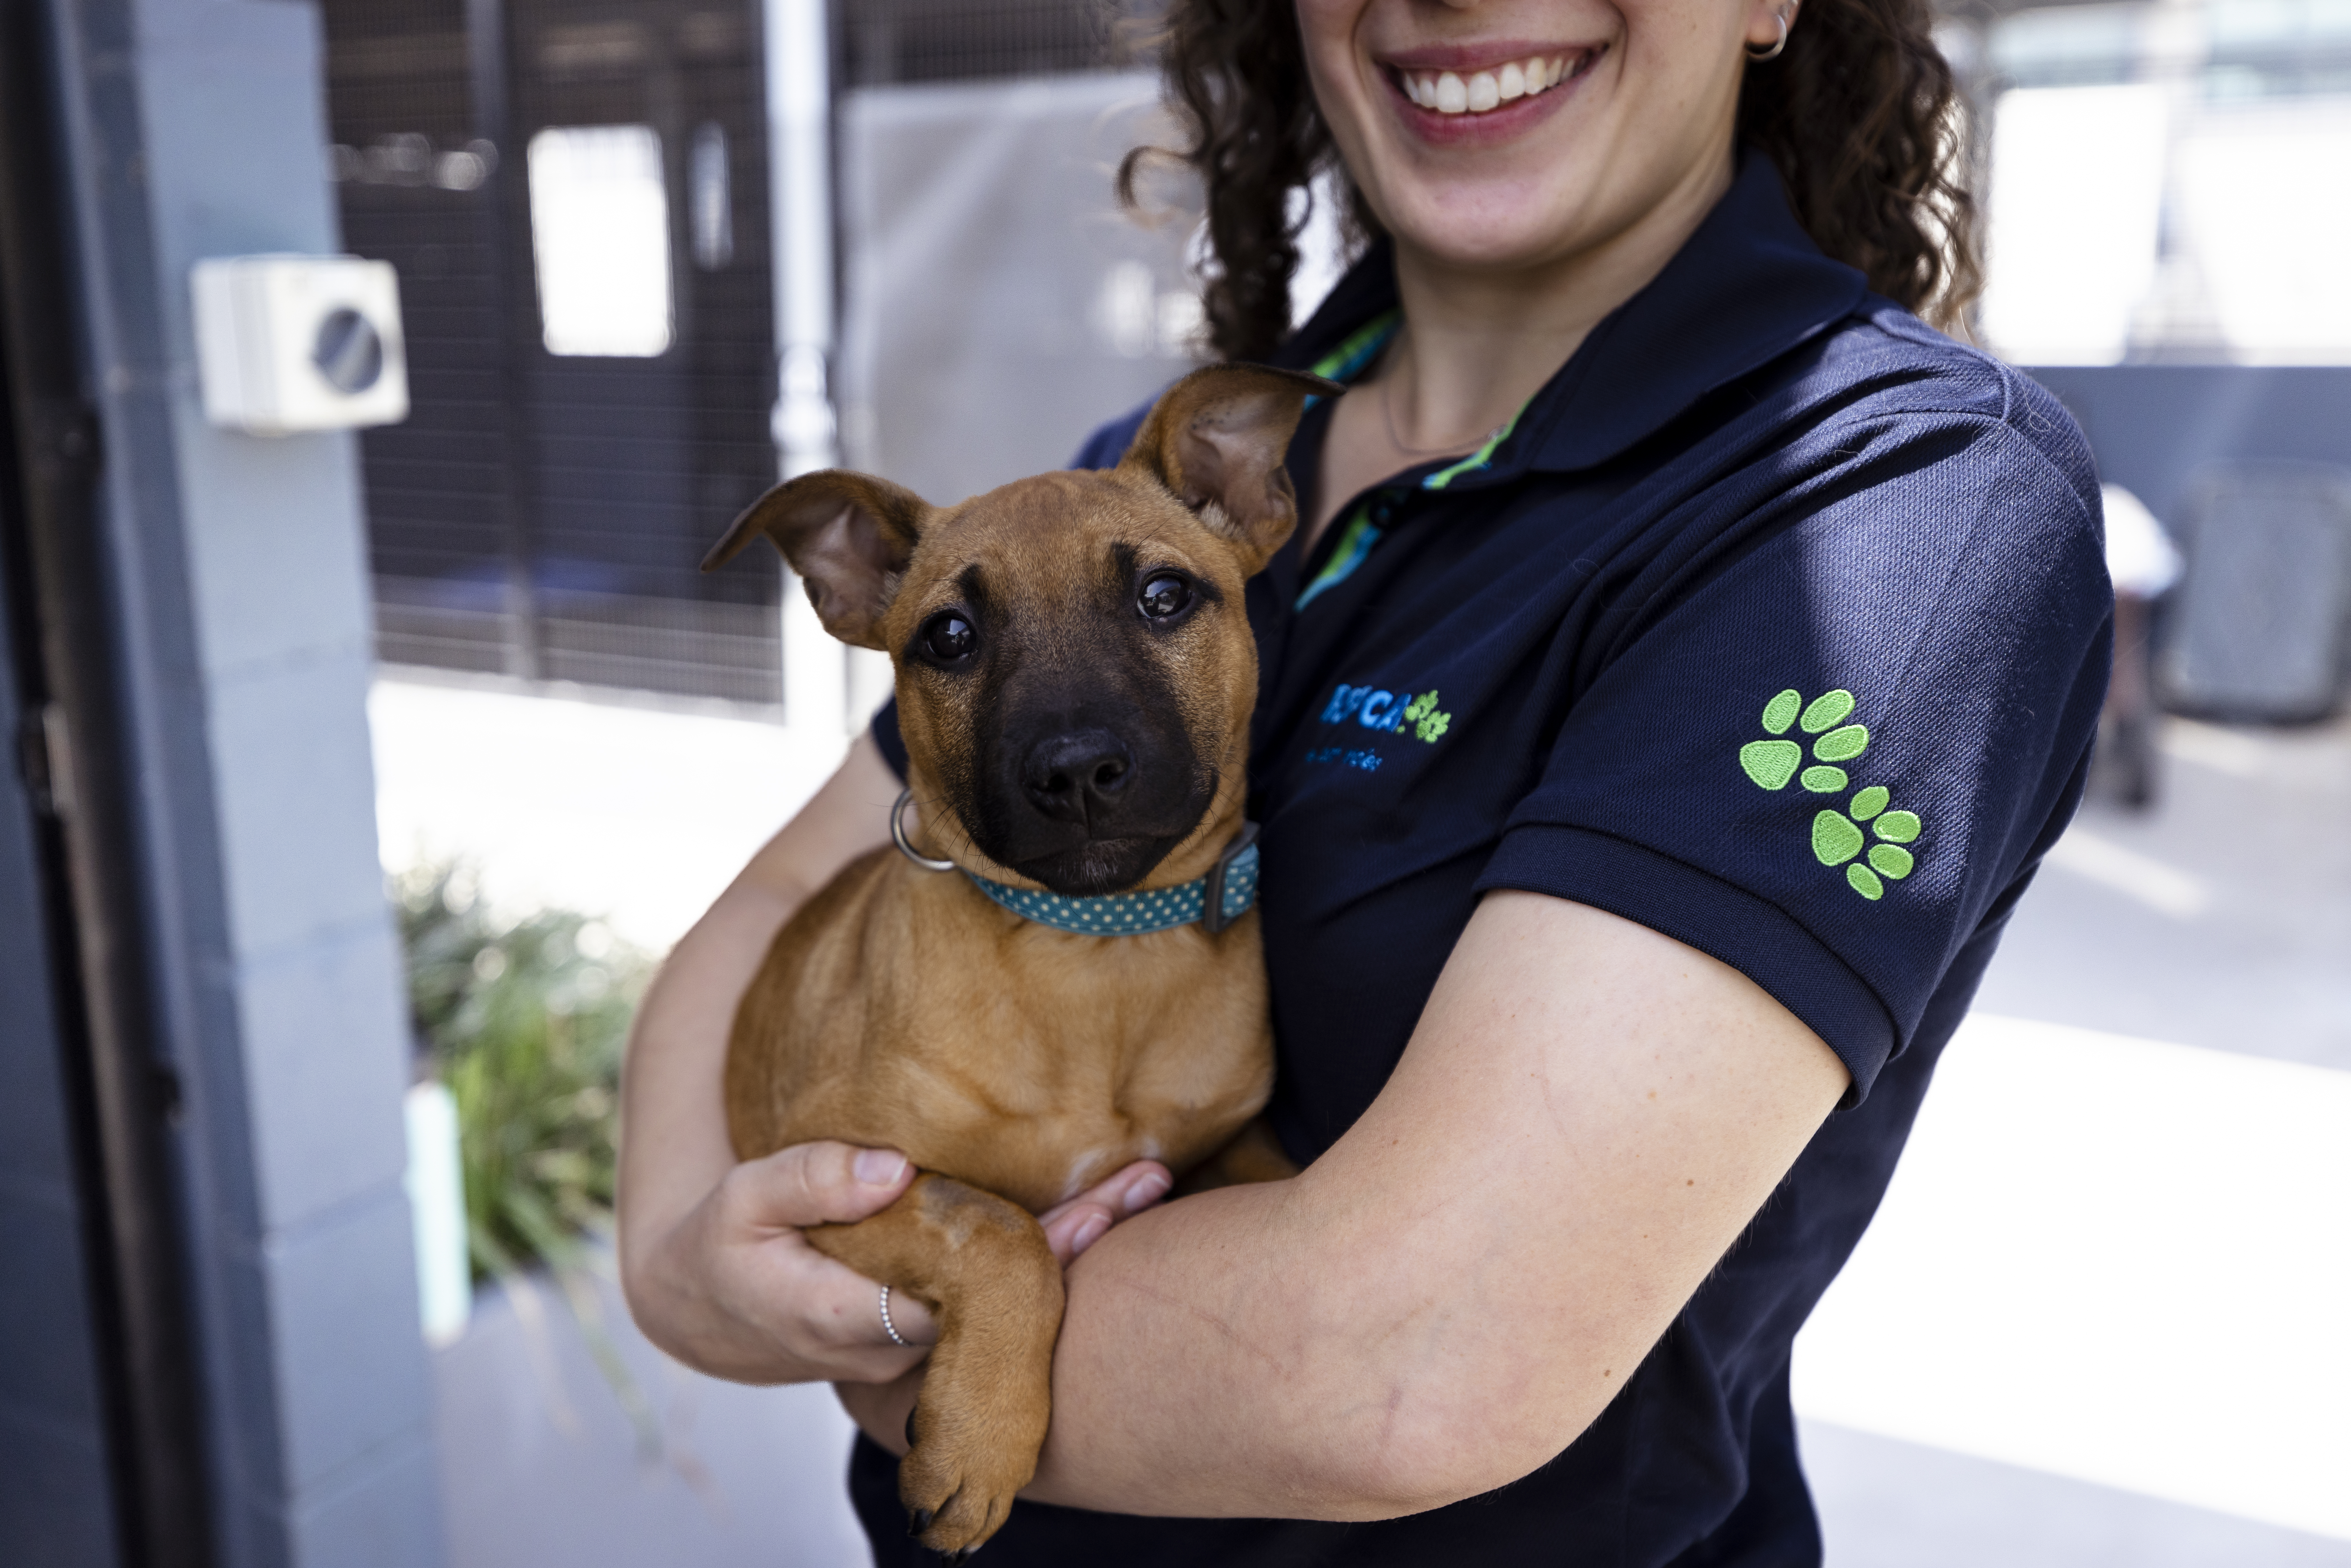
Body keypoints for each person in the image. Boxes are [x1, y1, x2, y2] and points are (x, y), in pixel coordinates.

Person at [618, 0, 2112, 1562]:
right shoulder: (1159, 476)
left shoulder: (1885, 501)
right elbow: (797, 890)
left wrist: (892, 1346)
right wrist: (682, 1273)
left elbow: (1411, 1358)